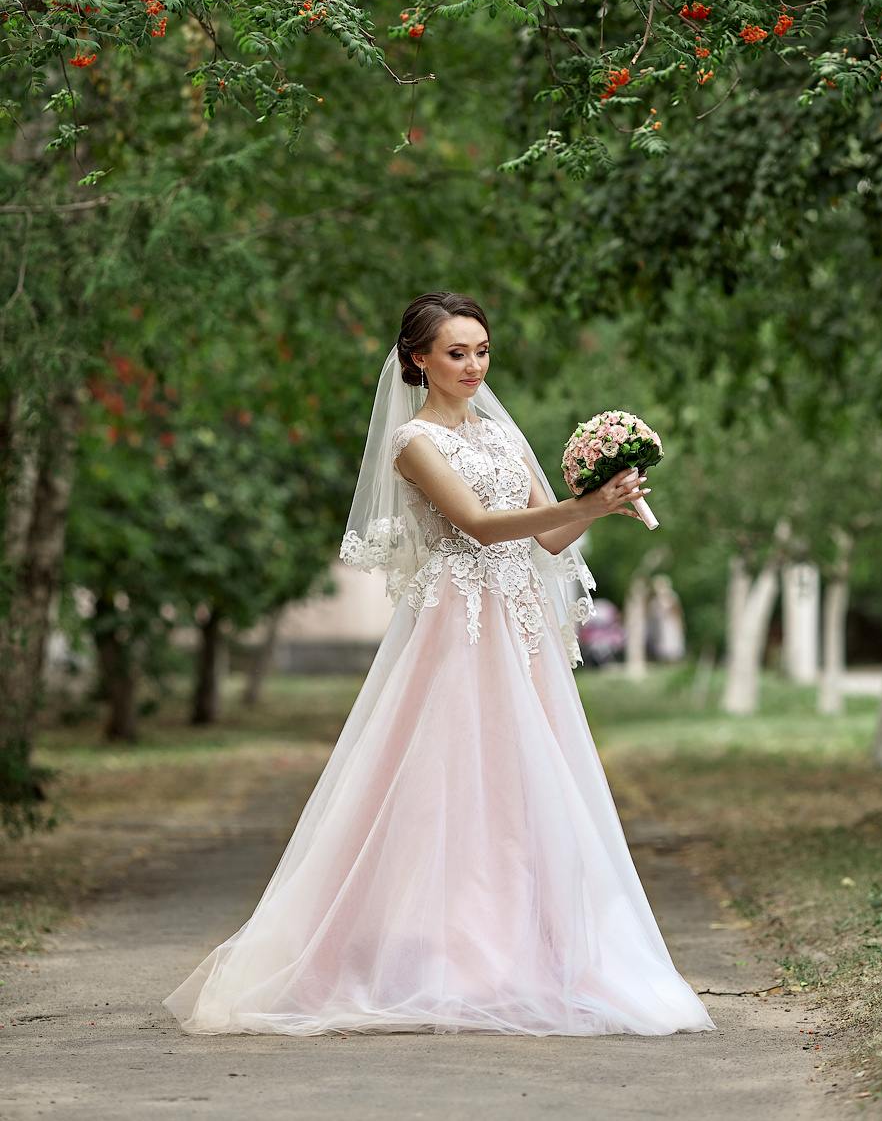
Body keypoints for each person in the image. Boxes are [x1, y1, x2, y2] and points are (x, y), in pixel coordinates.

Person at [164, 292, 713, 1038]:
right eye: (457, 352)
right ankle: (444, 958)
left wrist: (602, 504)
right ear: (417, 359)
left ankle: (532, 952)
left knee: (527, 781)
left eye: (482, 351)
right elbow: (483, 529)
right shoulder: (414, 444)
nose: (473, 366)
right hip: (460, 618)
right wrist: (578, 503)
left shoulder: (498, 435)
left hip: (517, 626)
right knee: (450, 779)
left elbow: (547, 543)